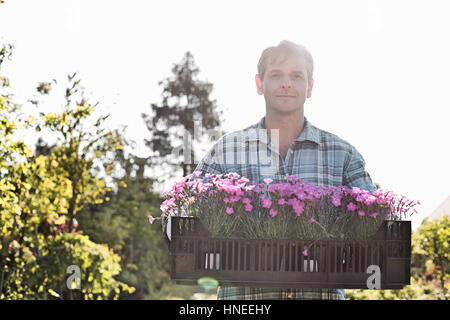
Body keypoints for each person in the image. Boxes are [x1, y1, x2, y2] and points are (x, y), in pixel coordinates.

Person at [178, 40, 375, 300]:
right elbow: (187, 213)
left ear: (310, 87)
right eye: (276, 75)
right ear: (260, 84)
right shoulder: (227, 150)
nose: (286, 83)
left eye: (296, 76)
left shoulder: (342, 154)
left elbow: (374, 225)